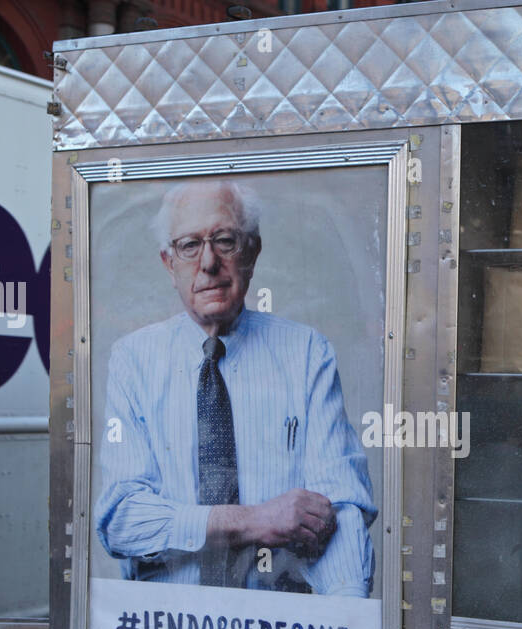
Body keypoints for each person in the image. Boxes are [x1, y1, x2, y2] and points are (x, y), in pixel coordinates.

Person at [95, 179, 377, 596]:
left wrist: (349, 627)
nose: (208, 262)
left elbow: (339, 510)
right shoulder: (133, 361)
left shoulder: (306, 354)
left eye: (224, 240)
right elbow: (120, 521)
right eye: (189, 245)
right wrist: (254, 520)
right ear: (168, 263)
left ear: (252, 251)